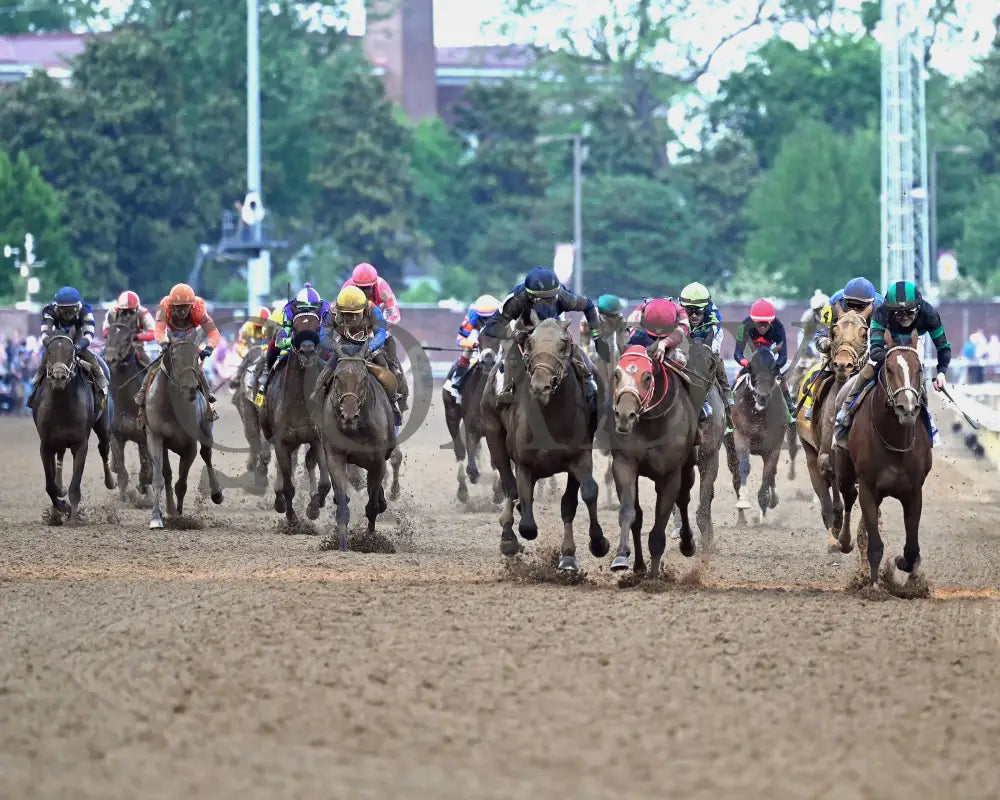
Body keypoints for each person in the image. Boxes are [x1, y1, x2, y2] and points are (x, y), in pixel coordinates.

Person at [835, 280, 950, 448]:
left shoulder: (929, 313)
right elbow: (875, 351)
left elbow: (943, 347)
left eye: (909, 312)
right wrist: (894, 357)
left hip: (915, 338)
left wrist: (941, 373)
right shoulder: (881, 313)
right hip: (886, 341)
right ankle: (846, 410)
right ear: (890, 310)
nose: (904, 317)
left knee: (915, 371)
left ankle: (927, 418)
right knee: (870, 368)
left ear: (918, 307)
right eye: (898, 313)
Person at [482, 266, 609, 405]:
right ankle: (506, 388)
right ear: (530, 295)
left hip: (554, 327)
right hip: (526, 329)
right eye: (543, 300)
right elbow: (491, 326)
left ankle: (587, 378)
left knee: (570, 346)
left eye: (552, 298)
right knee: (510, 354)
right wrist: (515, 334)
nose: (549, 302)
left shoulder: (563, 296)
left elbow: (589, 306)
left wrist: (598, 338)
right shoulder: (517, 299)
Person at [310, 286, 402, 427]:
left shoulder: (372, 310)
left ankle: (392, 403)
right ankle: (318, 413)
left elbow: (381, 333)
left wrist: (370, 347)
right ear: (340, 311)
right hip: (343, 345)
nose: (353, 318)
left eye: (356, 314)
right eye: (348, 314)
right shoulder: (332, 313)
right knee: (324, 375)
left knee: (384, 366)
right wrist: (335, 348)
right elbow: (324, 336)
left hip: (367, 342)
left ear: (364, 310)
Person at [135, 283, 221, 419]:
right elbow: (159, 330)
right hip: (171, 336)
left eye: (185, 308)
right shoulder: (164, 306)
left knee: (195, 366)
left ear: (191, 305)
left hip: (190, 336)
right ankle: (142, 394)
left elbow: (214, 333)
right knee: (156, 365)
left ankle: (208, 397)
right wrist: (163, 343)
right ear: (172, 305)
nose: (181, 312)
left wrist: (209, 348)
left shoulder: (198, 308)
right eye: (178, 308)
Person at [27, 286, 109, 410]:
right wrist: (49, 345)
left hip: (77, 337)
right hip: (57, 337)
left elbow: (89, 334)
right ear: (57, 307)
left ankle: (100, 378)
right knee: (47, 356)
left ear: (77, 306)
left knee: (90, 356)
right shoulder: (50, 310)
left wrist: (78, 346)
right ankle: (38, 377)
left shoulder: (85, 310)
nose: (67, 314)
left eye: (71, 310)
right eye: (64, 310)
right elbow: (45, 332)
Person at [342, 262, 407, 409]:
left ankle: (394, 374)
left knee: (388, 342)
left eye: (368, 288)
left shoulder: (382, 287)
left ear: (374, 285)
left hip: (378, 321)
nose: (365, 293)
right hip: (355, 325)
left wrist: (379, 330)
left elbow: (395, 314)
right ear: (354, 285)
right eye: (361, 289)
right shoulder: (347, 288)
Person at [253, 283, 330, 402]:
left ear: (318, 307)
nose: (308, 311)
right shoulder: (287, 312)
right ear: (297, 307)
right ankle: (266, 374)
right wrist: (293, 340)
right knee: (273, 344)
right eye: (304, 308)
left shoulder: (326, 313)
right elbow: (280, 340)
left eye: (312, 308)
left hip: (317, 346)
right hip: (294, 346)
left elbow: (327, 337)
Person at [679, 281, 733, 431]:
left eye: (699, 311)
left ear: (707, 307)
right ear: (683, 307)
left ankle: (727, 395)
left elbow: (713, 336)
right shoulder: (676, 313)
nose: (694, 315)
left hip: (708, 336)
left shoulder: (714, 316)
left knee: (713, 358)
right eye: (689, 311)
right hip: (686, 337)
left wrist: (704, 351)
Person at [734, 298, 795, 423]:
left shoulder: (778, 327)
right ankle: (729, 406)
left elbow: (783, 356)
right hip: (752, 359)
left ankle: (790, 408)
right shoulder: (743, 326)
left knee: (781, 379)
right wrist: (746, 363)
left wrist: (774, 366)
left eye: (766, 324)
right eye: (758, 324)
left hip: (769, 360)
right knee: (738, 378)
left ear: (771, 322)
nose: (762, 328)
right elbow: (737, 353)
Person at [444, 294, 500, 401]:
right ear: (478, 315)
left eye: (490, 317)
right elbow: (459, 340)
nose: (487, 321)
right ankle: (457, 381)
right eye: (484, 318)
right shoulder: (473, 316)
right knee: (467, 351)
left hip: (496, 333)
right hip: (477, 330)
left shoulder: (501, 314)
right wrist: (473, 344)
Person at [102, 290, 156, 366]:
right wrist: (118, 336)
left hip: (136, 346)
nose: (127, 314)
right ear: (119, 308)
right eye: (124, 311)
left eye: (131, 311)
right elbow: (105, 330)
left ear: (137, 308)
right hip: (115, 345)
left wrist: (136, 337)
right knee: (100, 362)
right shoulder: (113, 312)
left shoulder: (143, 313)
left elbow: (153, 333)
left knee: (152, 368)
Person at [229, 306, 272, 390]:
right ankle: (237, 377)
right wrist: (244, 353)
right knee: (246, 359)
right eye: (258, 326)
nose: (260, 328)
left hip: (267, 353)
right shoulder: (246, 328)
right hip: (251, 354)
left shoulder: (272, 328)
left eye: (262, 326)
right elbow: (240, 345)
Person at [797, 290, 829, 356]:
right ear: (814, 310)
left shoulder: (835, 314)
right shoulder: (808, 318)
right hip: (811, 339)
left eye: (824, 308)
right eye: (819, 309)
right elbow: (803, 338)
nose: (822, 312)